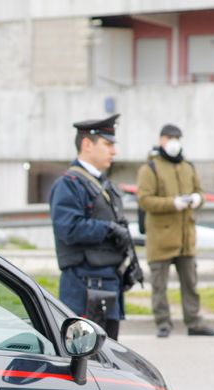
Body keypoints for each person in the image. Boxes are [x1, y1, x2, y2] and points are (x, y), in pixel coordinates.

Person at [49, 114, 139, 341]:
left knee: (109, 360)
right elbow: (68, 228)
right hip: (85, 288)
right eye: (108, 144)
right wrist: (107, 229)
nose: (114, 151)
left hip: (108, 284)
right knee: (86, 360)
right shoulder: (69, 185)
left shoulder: (105, 184)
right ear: (87, 144)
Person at [137, 124, 214, 337]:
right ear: (160, 139)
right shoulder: (150, 168)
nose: (174, 141)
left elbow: (200, 192)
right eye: (169, 137)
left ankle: (194, 322)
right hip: (161, 238)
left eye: (177, 137)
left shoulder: (187, 166)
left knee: (190, 283)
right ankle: (163, 323)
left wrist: (198, 199)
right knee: (159, 285)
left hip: (186, 237)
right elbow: (145, 200)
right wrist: (172, 203)